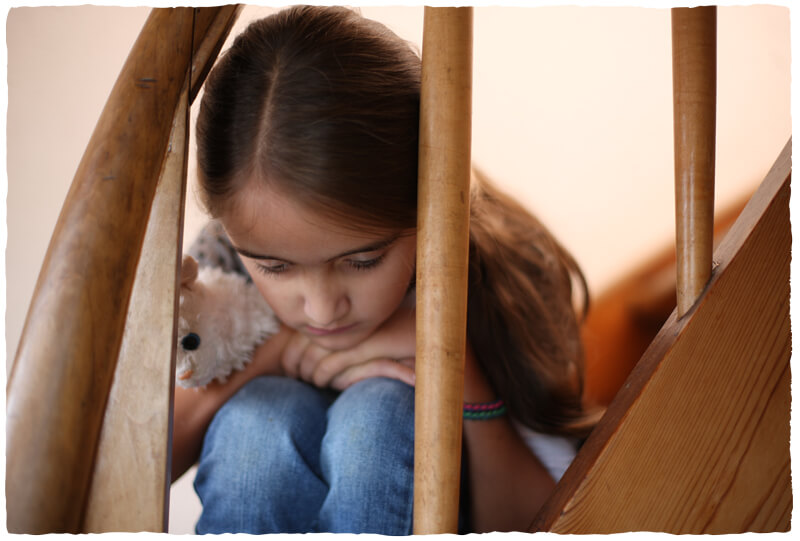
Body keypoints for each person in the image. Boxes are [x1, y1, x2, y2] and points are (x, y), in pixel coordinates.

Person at [171, 5, 601, 535]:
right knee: (256, 422)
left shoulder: (496, 272)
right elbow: (139, 468)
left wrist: (454, 364)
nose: (323, 310)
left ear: (430, 210)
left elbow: (540, 524)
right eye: (275, 267)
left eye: (363, 260)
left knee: (377, 414)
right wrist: (277, 353)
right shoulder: (222, 266)